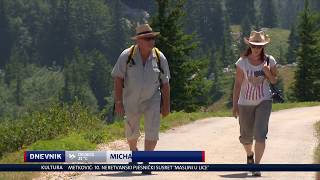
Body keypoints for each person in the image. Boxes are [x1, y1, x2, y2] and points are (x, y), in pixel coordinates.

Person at [111, 24, 171, 174]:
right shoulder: (127, 55)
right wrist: (118, 102)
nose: (151, 41)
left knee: (152, 129)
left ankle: (146, 160)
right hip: (131, 99)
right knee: (131, 131)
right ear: (139, 41)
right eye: (147, 38)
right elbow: (118, 79)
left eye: (152, 38)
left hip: (152, 98)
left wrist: (166, 105)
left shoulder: (159, 57)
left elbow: (165, 83)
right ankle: (134, 153)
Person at [232, 31, 278, 177]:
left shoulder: (270, 61)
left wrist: (267, 72)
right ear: (250, 45)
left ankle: (257, 165)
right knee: (245, 137)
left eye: (259, 46)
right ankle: (250, 155)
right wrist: (235, 105)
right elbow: (238, 85)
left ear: (263, 46)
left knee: (260, 135)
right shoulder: (242, 62)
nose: (256, 48)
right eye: (253, 45)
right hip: (245, 103)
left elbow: (274, 80)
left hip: (264, 100)